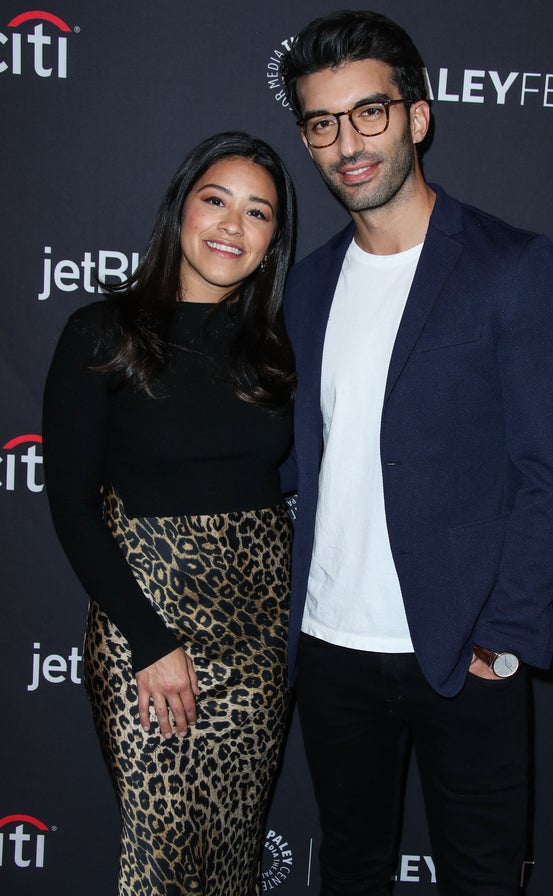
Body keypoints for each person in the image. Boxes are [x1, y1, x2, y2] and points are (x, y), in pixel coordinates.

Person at [279, 11, 553, 896]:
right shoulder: (307, 285)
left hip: (463, 653)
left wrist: (505, 634)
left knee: (484, 878)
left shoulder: (511, 268)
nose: (348, 144)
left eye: (370, 112)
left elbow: (552, 470)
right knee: (351, 870)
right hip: (331, 643)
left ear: (418, 115)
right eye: (322, 123)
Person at [43, 132, 296, 896]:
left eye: (258, 214)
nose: (231, 226)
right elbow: (73, 508)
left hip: (255, 637)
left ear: (272, 241)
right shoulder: (104, 332)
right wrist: (150, 642)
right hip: (144, 627)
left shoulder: (275, 348)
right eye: (216, 200)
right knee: (161, 857)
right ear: (181, 206)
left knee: (230, 859)